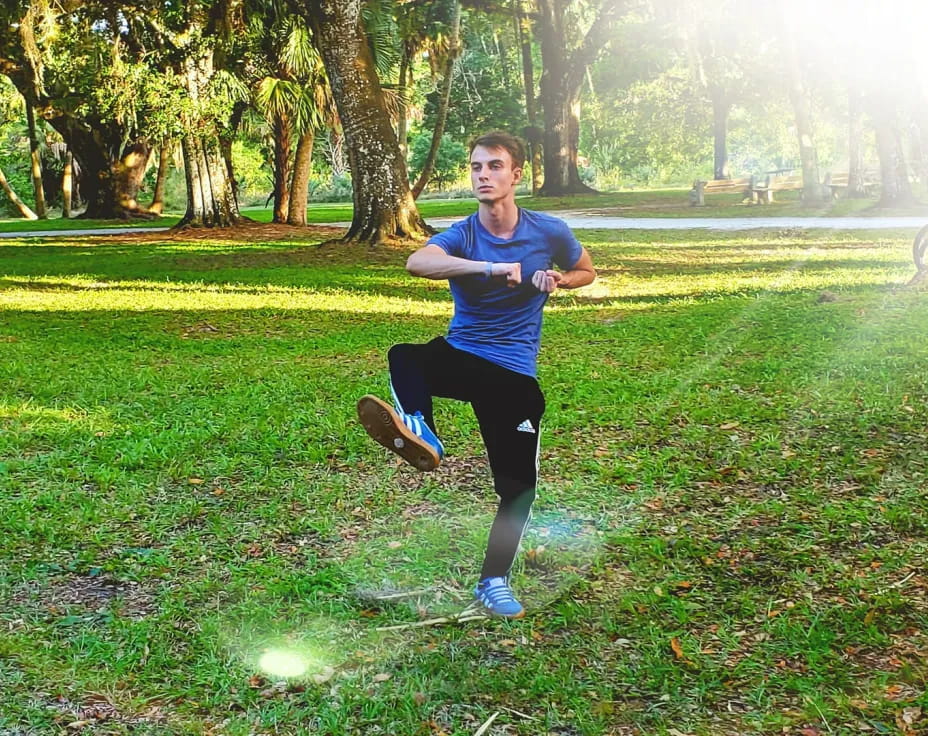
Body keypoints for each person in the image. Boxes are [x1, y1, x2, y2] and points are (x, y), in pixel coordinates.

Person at [357, 130, 596, 618]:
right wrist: (488, 268)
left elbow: (586, 270)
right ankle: (421, 432)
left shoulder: (548, 231)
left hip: (512, 373)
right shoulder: (464, 234)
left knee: (518, 489)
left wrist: (560, 278)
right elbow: (418, 262)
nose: (483, 175)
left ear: (516, 174)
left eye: (494, 166)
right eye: (476, 167)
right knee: (406, 357)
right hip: (463, 355)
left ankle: (493, 581)